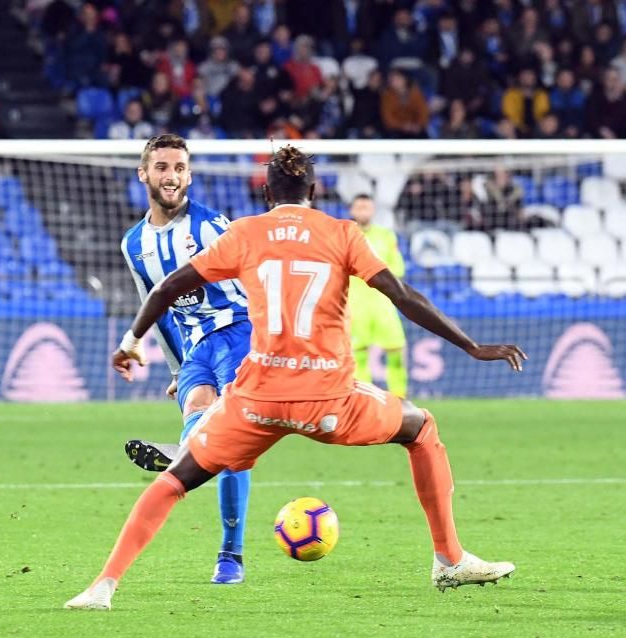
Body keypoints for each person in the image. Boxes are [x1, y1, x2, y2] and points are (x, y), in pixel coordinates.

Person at [65, 145, 524, 611]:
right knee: (421, 428)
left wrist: (131, 340)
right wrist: (472, 346)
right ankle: (449, 558)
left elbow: (166, 289)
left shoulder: (245, 233)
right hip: (329, 402)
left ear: (266, 192)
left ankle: (102, 586)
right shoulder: (342, 232)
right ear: (314, 190)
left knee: (174, 482)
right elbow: (400, 295)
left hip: (257, 403)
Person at [117, 134, 253, 586]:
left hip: (238, 332)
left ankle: (230, 554)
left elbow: (256, 279)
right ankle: (191, 443)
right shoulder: (134, 244)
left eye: (179, 168)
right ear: (145, 174)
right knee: (198, 407)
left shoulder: (214, 227)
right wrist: (176, 369)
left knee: (230, 443)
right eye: (162, 167)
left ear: (189, 175)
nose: (171, 176)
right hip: (194, 344)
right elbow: (157, 309)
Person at [348, 194, 408, 398]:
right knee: (358, 355)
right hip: (355, 305)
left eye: (366, 207)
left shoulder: (386, 236)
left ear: (372, 210)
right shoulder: (346, 235)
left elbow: (397, 269)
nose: (363, 211)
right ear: (352, 211)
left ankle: (399, 398)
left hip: (383, 304)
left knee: (396, 351)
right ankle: (365, 400)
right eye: (359, 207)